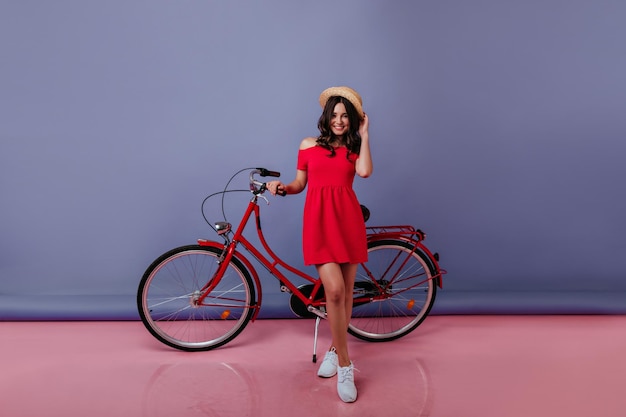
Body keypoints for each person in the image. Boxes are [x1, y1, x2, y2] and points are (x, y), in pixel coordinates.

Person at [267, 86, 372, 403]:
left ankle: (332, 350)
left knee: (347, 293)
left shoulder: (354, 147)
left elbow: (365, 172)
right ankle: (345, 364)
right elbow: (300, 183)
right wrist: (283, 187)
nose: (339, 121)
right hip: (319, 223)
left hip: (348, 222)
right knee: (335, 292)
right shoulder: (308, 145)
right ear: (326, 117)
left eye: (346, 116)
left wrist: (365, 134)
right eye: (335, 115)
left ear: (352, 120)